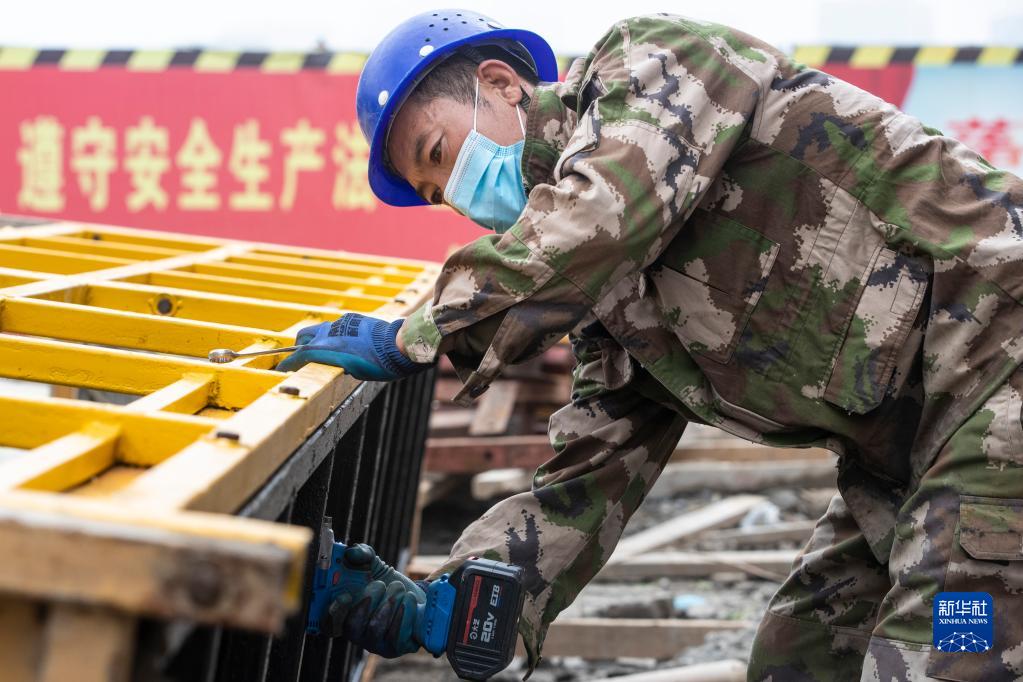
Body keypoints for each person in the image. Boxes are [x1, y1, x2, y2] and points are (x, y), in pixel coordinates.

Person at [278, 9, 1023, 681]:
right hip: (913, 452)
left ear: (501, 84)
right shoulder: (612, 305)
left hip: (999, 350)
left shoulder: (653, 64)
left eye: (440, 154)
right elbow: (590, 473)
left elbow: (601, 214)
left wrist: (417, 334)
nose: (455, 194)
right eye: (436, 193)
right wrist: (450, 602)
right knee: (802, 652)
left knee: (946, 650)